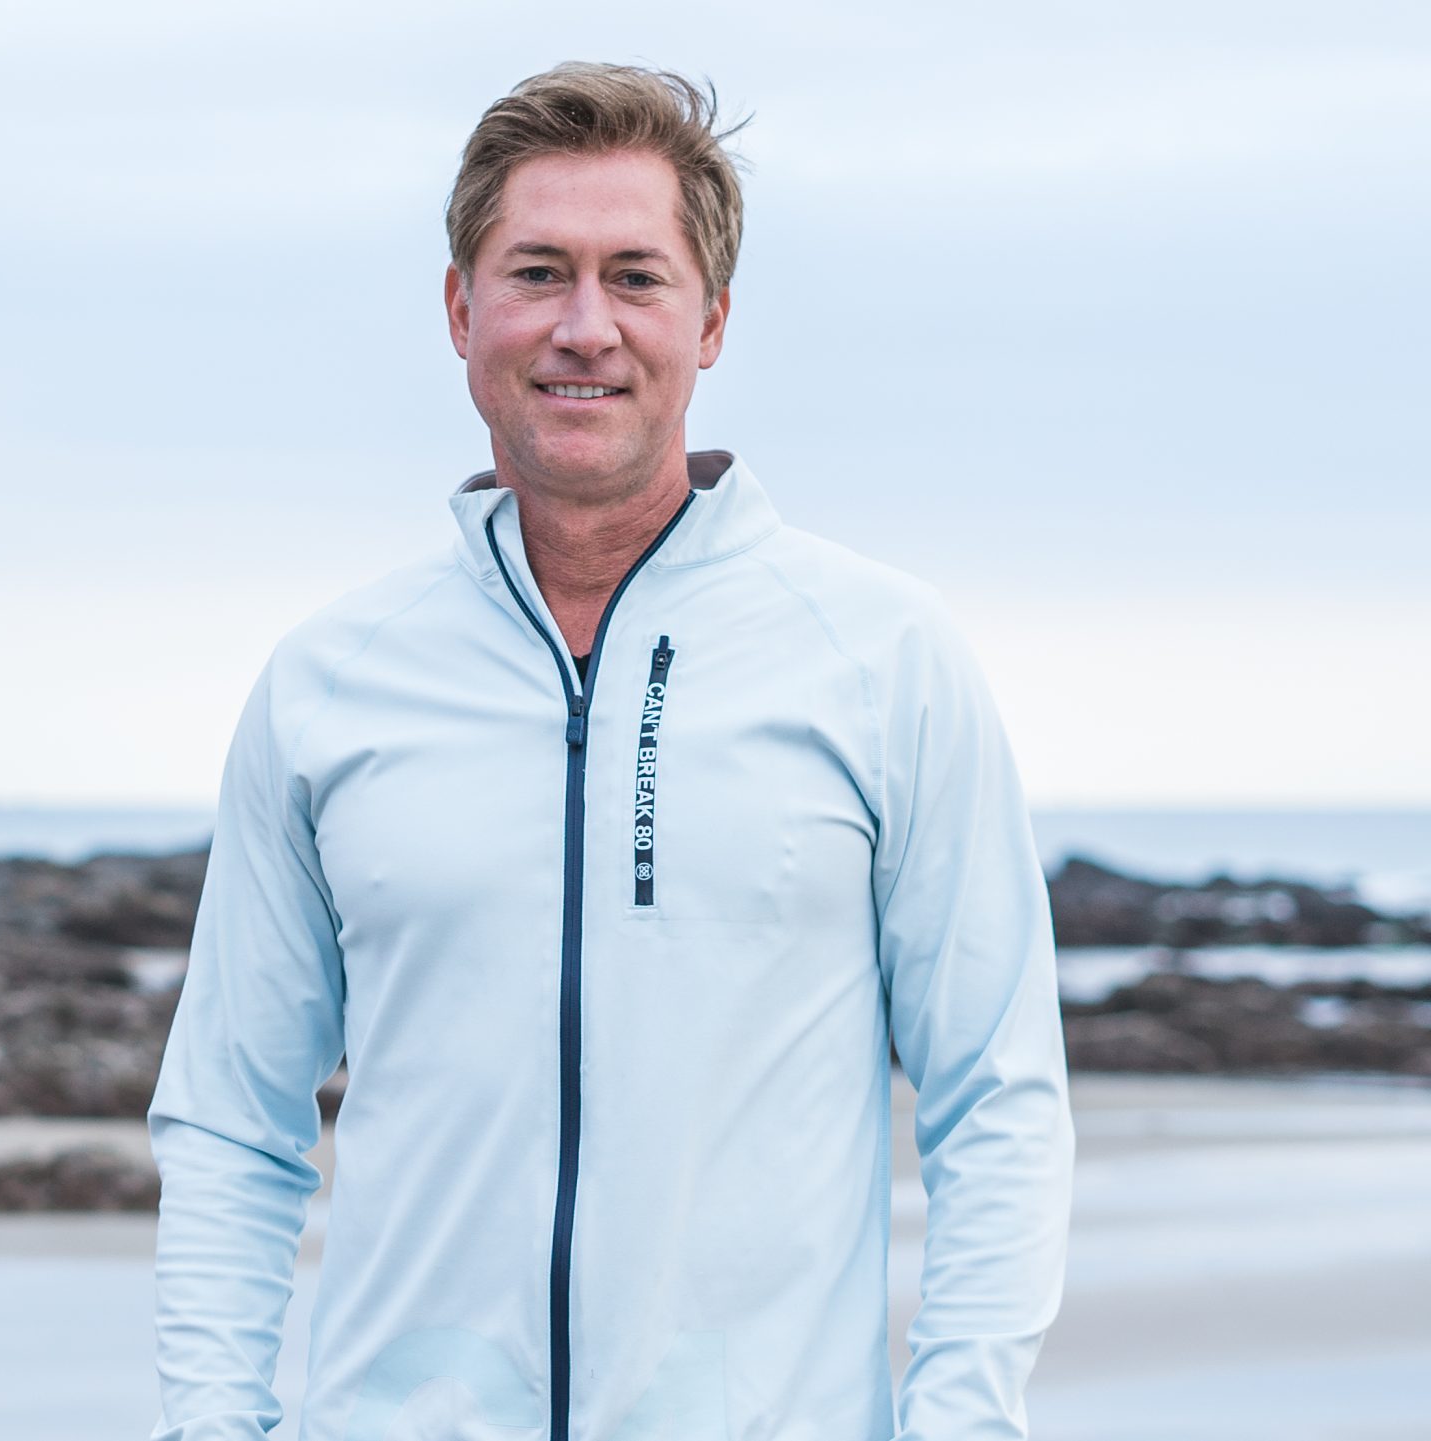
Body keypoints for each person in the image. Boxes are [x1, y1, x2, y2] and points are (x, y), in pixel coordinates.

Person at [144, 61, 1075, 1441]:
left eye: (636, 277)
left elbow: (1000, 1099)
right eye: (538, 274)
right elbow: (231, 1114)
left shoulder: (882, 660)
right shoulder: (330, 684)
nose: (586, 328)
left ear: (713, 321)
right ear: (461, 310)